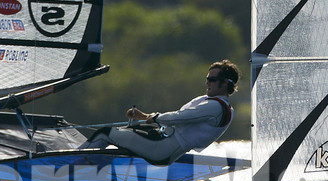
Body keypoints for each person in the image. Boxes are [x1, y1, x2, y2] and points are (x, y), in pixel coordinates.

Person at [81, 60, 239, 163]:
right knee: (121, 133)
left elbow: (180, 118)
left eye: (212, 80)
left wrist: (154, 117)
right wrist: (144, 117)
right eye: (207, 79)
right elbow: (173, 118)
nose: (207, 83)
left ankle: (65, 168)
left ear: (225, 83)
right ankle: (88, 170)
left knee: (104, 133)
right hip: (162, 141)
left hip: (162, 149)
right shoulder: (208, 101)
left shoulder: (216, 108)